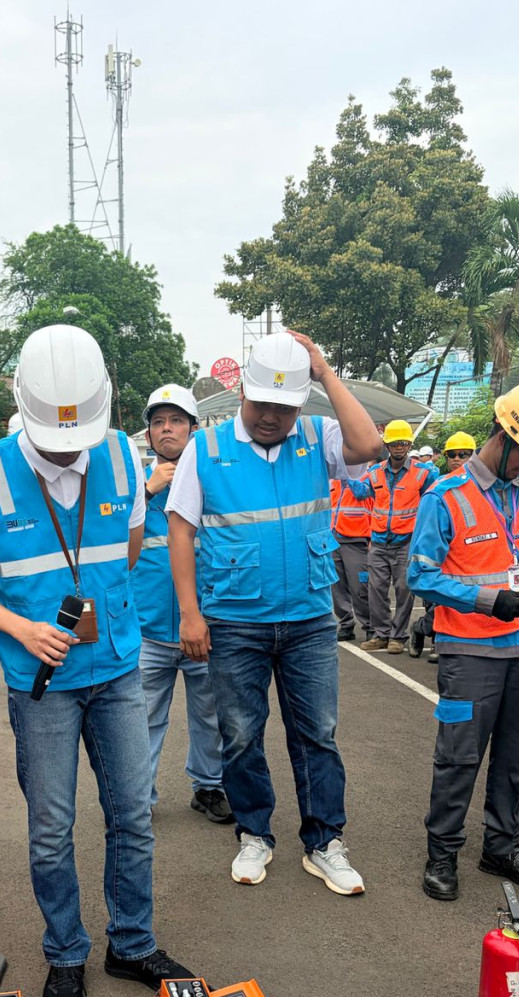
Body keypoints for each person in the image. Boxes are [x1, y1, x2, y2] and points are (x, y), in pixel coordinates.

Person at [0, 324, 191, 997]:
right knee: (51, 828)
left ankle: (132, 942)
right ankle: (65, 951)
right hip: (42, 683)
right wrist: (24, 627)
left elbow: (132, 545)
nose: (66, 447)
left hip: (116, 669)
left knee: (132, 816)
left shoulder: (119, 453)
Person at [167, 331, 382, 892]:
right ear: (242, 392)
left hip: (309, 618)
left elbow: (369, 446)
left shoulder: (316, 434)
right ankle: (255, 833)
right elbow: (181, 529)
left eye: (284, 407)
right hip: (235, 620)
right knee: (239, 733)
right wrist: (190, 615)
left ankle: (324, 841)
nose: (271, 417)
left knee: (318, 734)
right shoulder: (207, 449)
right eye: (262, 403)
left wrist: (326, 373)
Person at [408, 382, 519, 901]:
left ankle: (501, 848)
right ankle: (442, 853)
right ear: (503, 437)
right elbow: (421, 575)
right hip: (471, 651)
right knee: (459, 756)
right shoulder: (445, 497)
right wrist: (486, 599)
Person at [132, 384, 231, 822]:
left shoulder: (215, 478)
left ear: (193, 428)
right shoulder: (132, 485)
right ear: (149, 434)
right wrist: (147, 491)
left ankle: (209, 787)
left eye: (175, 421)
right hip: (148, 630)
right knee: (142, 721)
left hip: (204, 626)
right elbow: (110, 543)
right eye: (158, 422)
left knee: (210, 716)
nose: (166, 429)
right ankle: (139, 797)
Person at [355, 420, 438, 654]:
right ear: (387, 445)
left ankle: (398, 636)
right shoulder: (375, 472)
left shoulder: (423, 474)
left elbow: (433, 503)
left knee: (404, 589)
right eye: (394, 443)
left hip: (407, 541)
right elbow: (362, 493)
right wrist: (346, 473)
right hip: (380, 540)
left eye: (403, 443)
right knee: (376, 589)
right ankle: (381, 634)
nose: (399, 448)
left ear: (410, 444)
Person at [409, 433, 476, 662]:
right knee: (439, 604)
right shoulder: (440, 487)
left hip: (471, 557)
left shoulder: (482, 487)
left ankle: (425, 631)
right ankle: (425, 632)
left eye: (463, 455)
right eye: (452, 455)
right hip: (444, 558)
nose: (457, 459)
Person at [330, 472, 373, 642]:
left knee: (360, 587)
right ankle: (346, 624)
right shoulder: (333, 481)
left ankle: (371, 625)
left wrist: (348, 474)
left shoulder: (366, 477)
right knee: (337, 587)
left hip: (356, 539)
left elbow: (361, 493)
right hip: (333, 538)